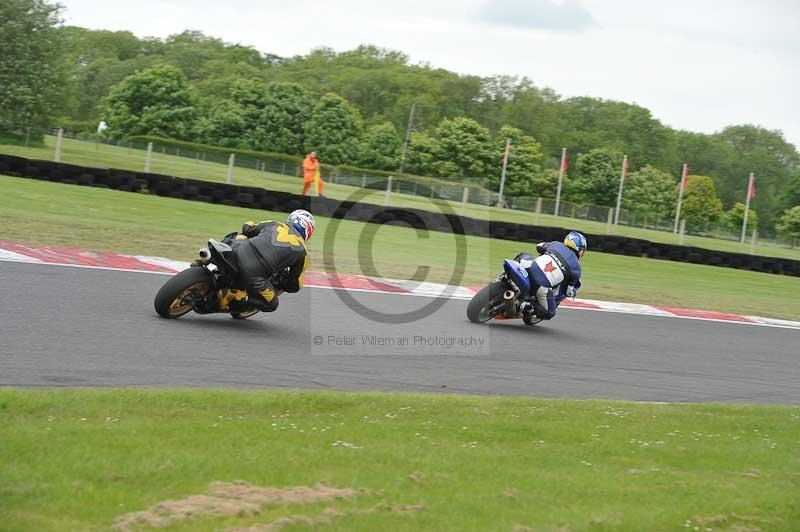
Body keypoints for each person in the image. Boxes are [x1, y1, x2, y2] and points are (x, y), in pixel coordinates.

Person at [225, 209, 315, 312]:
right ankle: (239, 299)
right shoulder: (303, 252)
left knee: (239, 236)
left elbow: (247, 228)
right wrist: (285, 285)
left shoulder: (275, 224)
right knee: (272, 304)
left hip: (238, 250)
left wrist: (249, 224)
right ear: (308, 230)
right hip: (253, 274)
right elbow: (294, 284)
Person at [516, 231, 587, 320]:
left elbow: (539, 246)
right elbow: (569, 290)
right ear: (580, 250)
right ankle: (525, 306)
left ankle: (503, 278)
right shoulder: (577, 269)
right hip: (541, 285)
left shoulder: (555, 244)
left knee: (524, 256)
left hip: (528, 268)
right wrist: (572, 293)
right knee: (550, 313)